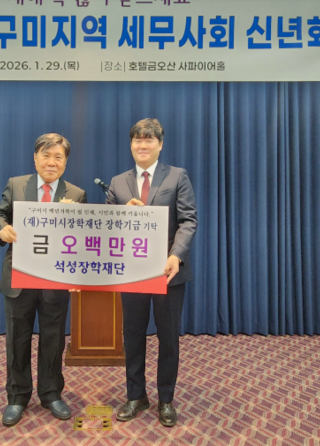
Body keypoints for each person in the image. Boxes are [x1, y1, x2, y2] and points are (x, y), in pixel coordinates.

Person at [106, 118, 197, 427]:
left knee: (168, 338)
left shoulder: (177, 176)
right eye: (137, 140)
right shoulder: (118, 182)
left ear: (160, 144)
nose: (142, 145)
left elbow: (188, 220)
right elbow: (107, 226)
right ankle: (136, 396)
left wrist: (176, 255)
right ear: (131, 144)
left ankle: (166, 399)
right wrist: (122, 214)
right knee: (132, 336)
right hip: (132, 272)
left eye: (148, 140)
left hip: (167, 272)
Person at [0, 133, 87, 427]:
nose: (51, 162)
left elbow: (81, 239)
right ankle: (17, 396)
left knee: (53, 339)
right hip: (19, 277)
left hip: (54, 279)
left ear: (66, 162)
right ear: (35, 158)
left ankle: (51, 393)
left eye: (58, 157)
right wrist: (2, 228)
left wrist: (77, 274)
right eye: (46, 155)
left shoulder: (77, 194)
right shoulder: (16, 185)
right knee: (17, 339)